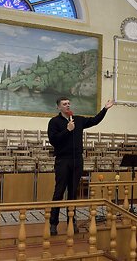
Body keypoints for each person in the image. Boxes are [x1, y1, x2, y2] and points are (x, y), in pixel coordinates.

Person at [48, 97, 114, 235]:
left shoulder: (77, 120)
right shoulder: (54, 122)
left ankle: (71, 221)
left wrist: (105, 109)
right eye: (64, 104)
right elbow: (53, 140)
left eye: (68, 103)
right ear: (58, 107)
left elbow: (94, 120)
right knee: (59, 192)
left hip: (77, 160)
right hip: (63, 160)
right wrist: (67, 130)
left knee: (73, 193)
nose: (67, 105)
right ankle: (53, 223)